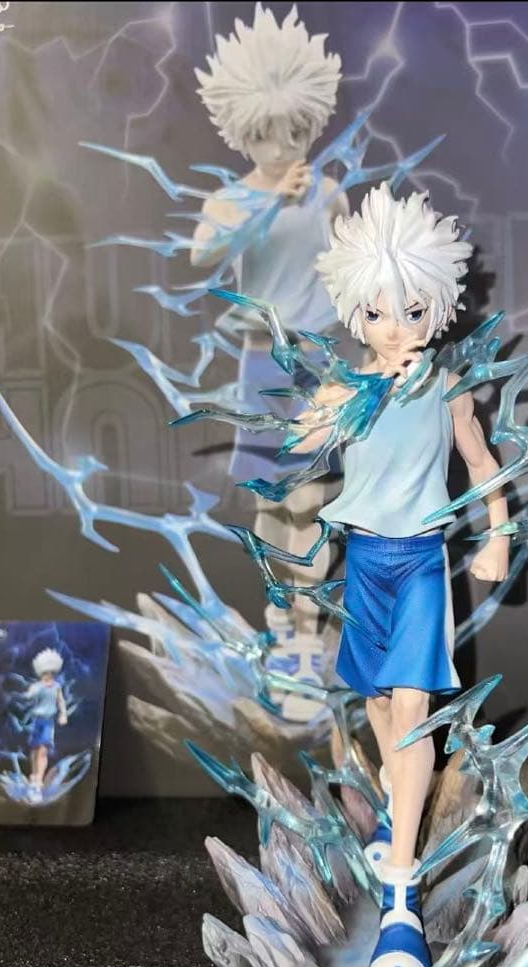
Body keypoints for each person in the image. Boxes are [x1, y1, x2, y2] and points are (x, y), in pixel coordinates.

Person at [290, 183, 511, 967]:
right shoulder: (348, 390)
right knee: (380, 705)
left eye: (412, 311)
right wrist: (329, 410)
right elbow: (303, 446)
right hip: (363, 564)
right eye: (379, 312)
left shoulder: (448, 389)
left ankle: (399, 891)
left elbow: (482, 464)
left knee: (413, 709)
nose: (396, 327)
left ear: (437, 308)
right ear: (355, 311)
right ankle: (396, 807)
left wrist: (497, 534)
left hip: (419, 562)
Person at [191, 3, 348, 719]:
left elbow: (351, 269)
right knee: (270, 504)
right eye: (263, 133)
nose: (280, 146)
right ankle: (282, 628)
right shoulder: (230, 200)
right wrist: (263, 206)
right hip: (263, 364)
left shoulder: (330, 194)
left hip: (318, 362)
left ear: (311, 122)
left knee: (312, 504)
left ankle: (309, 640)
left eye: (294, 131)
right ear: (240, 128)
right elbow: (202, 255)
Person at [24, 648, 68, 799]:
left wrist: (63, 714)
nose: (48, 675)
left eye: (51, 673)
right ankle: (34, 774)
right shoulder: (37, 686)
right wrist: (31, 693)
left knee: (43, 750)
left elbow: (60, 701)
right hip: (37, 720)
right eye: (45, 673)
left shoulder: (56, 687)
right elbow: (28, 697)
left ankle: (39, 779)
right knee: (35, 749)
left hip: (48, 722)